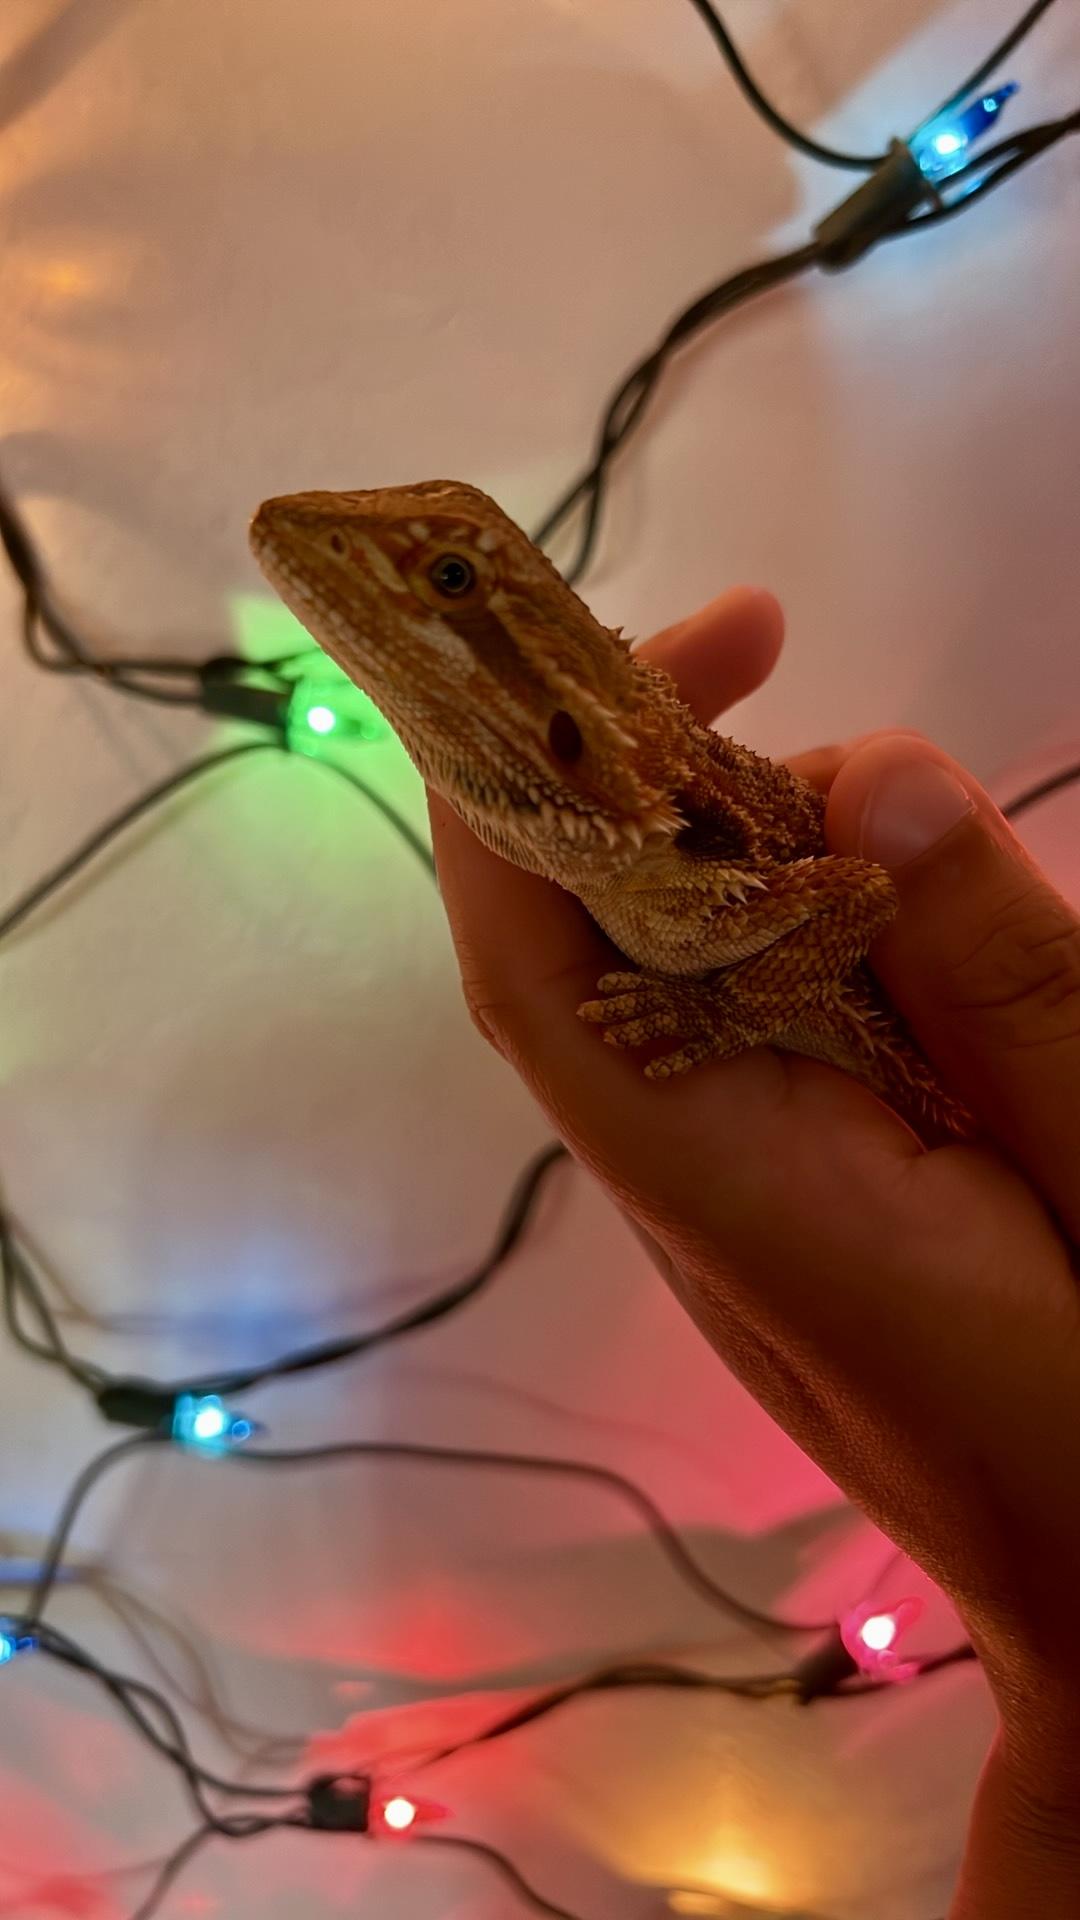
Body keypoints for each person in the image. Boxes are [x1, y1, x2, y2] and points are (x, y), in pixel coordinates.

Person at [426, 585, 1080, 1920]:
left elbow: (847, 891)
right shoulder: (648, 866)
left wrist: (727, 1015)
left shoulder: (697, 880)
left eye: (451, 579)